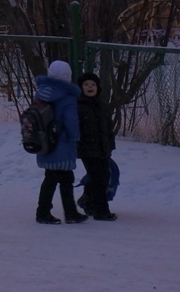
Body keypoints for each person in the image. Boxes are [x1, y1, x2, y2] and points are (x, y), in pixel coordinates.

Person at [34, 59, 85, 225]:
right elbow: (71, 121)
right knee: (59, 179)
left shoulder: (41, 92)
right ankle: (47, 212)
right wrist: (75, 137)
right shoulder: (68, 98)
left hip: (45, 142)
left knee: (56, 178)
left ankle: (67, 212)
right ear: (68, 77)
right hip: (62, 144)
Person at [75, 72, 118, 221]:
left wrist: (110, 145)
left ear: (97, 88)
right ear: (81, 88)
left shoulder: (102, 105)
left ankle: (87, 201)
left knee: (100, 177)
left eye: (93, 84)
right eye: (86, 84)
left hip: (103, 148)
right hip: (87, 149)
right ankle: (101, 210)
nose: (90, 87)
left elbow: (108, 127)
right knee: (100, 177)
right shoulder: (78, 105)